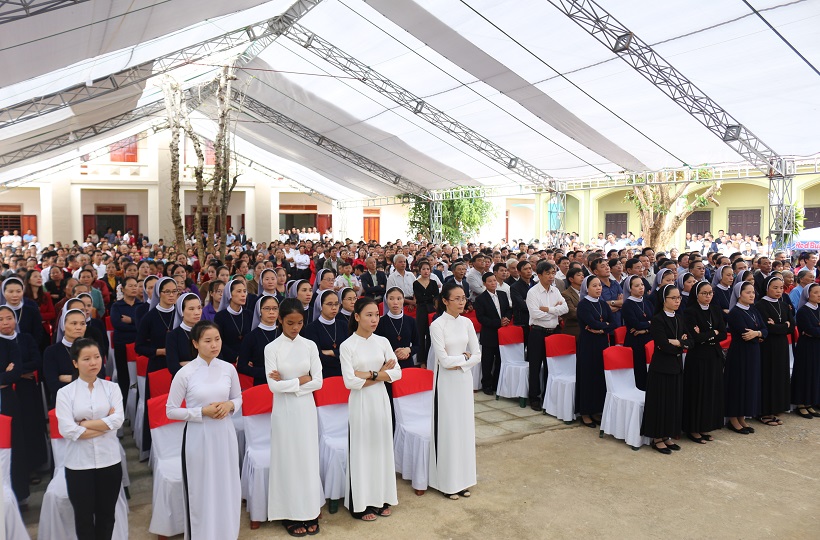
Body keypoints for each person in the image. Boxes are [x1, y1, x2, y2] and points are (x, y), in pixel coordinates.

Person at [166, 320, 242, 539]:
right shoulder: (186, 373)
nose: (214, 345)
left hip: (224, 434)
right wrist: (201, 412)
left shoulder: (228, 368)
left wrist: (229, 406)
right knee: (202, 489)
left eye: (217, 339)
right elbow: (171, 411)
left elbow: (238, 398)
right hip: (199, 437)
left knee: (226, 485)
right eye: (207, 341)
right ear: (196, 344)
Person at [265, 298, 324, 536]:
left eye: (299, 322)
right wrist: (302, 380)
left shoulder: (309, 345)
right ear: (280, 320)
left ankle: (309, 510)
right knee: (287, 458)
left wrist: (290, 383)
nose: (295, 327)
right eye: (290, 322)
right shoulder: (272, 348)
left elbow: (318, 381)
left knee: (307, 456)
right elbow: (272, 387)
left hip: (305, 408)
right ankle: (289, 512)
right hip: (284, 410)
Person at [55, 338, 125, 540]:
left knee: (107, 516)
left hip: (109, 461)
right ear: (75, 363)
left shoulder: (112, 388)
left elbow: (118, 420)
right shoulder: (65, 393)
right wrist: (105, 423)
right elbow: (67, 430)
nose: (93, 362)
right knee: (83, 518)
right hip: (79, 465)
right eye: (86, 358)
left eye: (96, 357)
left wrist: (84, 425)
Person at [340, 297, 401, 520]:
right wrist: (381, 373)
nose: (374, 319)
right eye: (369, 315)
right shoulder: (348, 346)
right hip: (361, 403)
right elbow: (350, 382)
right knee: (362, 449)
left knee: (381, 446)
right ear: (356, 317)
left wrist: (370, 374)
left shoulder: (383, 341)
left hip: (380, 400)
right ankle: (362, 503)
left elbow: (397, 373)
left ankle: (382, 497)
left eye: (376, 314)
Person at [428, 282, 480, 499]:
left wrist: (464, 361)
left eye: (463, 298)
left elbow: (478, 354)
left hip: (464, 380)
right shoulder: (437, 325)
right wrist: (464, 358)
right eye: (456, 298)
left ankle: (464, 479)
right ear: (445, 301)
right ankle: (447, 482)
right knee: (448, 430)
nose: (462, 302)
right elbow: (444, 360)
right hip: (446, 382)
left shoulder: (467, 322)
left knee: (464, 428)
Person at [2, 304, 48, 487]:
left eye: (9, 318)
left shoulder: (25, 338)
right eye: (0, 319)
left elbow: (36, 361)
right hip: (6, 393)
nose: (6, 322)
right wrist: (16, 373)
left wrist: (15, 372)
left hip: (26, 390)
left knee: (30, 427)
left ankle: (32, 467)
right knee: (14, 432)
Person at [642, 284, 690, 454]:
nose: (677, 301)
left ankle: (667, 435)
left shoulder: (679, 318)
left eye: (679, 298)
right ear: (664, 299)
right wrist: (678, 343)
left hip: (676, 366)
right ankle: (657, 437)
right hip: (661, 367)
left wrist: (677, 342)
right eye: (674, 298)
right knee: (660, 402)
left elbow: (689, 341)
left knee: (673, 402)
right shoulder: (657, 319)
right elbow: (663, 345)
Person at [136, 276, 179, 453]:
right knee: (158, 407)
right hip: (158, 366)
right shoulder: (150, 317)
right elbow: (139, 346)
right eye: (167, 291)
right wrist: (161, 351)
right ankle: (154, 449)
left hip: (179, 367)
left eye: (174, 291)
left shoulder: (181, 313)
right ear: (158, 294)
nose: (171, 295)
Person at [682, 281, 726, 443]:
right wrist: (712, 333)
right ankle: (693, 429)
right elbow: (695, 338)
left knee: (711, 392)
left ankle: (706, 426)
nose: (708, 296)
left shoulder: (715, 309)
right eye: (704, 293)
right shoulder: (690, 312)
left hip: (713, 355)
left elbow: (722, 333)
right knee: (698, 392)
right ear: (696, 294)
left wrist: (707, 334)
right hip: (698, 357)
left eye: (710, 293)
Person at [724, 281, 767, 434]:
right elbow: (744, 334)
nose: (751, 295)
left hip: (754, 352)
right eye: (748, 292)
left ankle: (742, 417)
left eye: (753, 292)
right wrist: (758, 334)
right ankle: (733, 419)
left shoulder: (754, 310)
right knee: (738, 384)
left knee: (749, 384)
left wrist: (757, 333)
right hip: (739, 353)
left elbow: (764, 329)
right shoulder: (735, 312)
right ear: (739, 294)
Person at [525, 261, 567, 410]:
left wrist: (548, 310)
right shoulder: (533, 292)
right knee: (535, 366)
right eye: (548, 273)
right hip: (537, 332)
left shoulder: (555, 290)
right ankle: (534, 398)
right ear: (540, 275)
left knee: (551, 366)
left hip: (553, 333)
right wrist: (554, 312)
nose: (551, 276)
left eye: (553, 273)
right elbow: (535, 314)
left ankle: (548, 397)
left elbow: (565, 308)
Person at [575, 275, 614, 428]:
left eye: (600, 285)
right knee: (587, 377)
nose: (599, 288)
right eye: (595, 285)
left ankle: (596, 410)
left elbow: (614, 323)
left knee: (599, 377)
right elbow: (592, 323)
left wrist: (601, 327)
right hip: (588, 345)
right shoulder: (583, 305)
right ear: (587, 288)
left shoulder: (603, 304)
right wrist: (604, 325)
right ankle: (585, 412)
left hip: (602, 343)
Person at [755, 275, 793, 426]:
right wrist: (784, 325)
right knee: (768, 377)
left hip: (782, 345)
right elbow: (767, 328)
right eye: (775, 288)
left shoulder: (783, 305)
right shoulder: (760, 305)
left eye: (781, 288)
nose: (779, 291)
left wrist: (779, 326)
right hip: (768, 347)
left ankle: (776, 408)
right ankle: (764, 412)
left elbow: (792, 325)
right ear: (767, 288)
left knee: (779, 376)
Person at [474, 271, 512, 395]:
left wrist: (506, 318)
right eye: (490, 281)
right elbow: (481, 318)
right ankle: (487, 384)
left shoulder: (502, 294)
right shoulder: (480, 299)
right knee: (487, 361)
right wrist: (498, 322)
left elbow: (507, 309)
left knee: (501, 359)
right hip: (489, 333)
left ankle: (497, 383)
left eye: (494, 280)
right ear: (484, 283)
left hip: (503, 333)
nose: (493, 283)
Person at [43, 308, 88, 405]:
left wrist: (71, 378)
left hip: (90, 400)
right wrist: (84, 380)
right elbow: (53, 385)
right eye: (74, 323)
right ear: (63, 325)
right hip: (63, 402)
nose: (79, 327)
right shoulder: (51, 351)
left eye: (82, 323)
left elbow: (99, 378)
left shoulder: (92, 348)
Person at [110, 276, 141, 408]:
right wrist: (137, 325)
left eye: (136, 285)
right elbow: (117, 324)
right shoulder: (117, 306)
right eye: (130, 286)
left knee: (138, 380)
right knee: (124, 378)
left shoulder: (141, 306)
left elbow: (143, 326)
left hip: (138, 346)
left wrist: (132, 321)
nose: (134, 288)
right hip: (122, 345)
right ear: (122, 288)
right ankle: (123, 409)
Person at [302, 290, 349, 377]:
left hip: (344, 372)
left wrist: (331, 352)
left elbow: (350, 352)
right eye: (330, 304)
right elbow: (317, 356)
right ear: (320, 305)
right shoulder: (311, 328)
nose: (334, 307)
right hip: (323, 373)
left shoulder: (343, 325)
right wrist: (339, 355)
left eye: (336, 304)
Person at [791, 283, 820, 419]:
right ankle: (801, 404)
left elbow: (814, 331)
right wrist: (814, 331)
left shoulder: (819, 308)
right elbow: (809, 330)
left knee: (814, 373)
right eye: (815, 293)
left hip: (816, 345)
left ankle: (809, 402)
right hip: (806, 347)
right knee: (805, 372)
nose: (818, 295)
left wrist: (815, 331)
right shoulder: (803, 311)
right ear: (808, 295)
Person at [238, 296, 280, 386]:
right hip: (261, 384)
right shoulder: (251, 337)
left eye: (275, 308)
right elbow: (241, 366)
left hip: (283, 383)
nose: (271, 312)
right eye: (267, 308)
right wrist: (265, 372)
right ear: (259, 311)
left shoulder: (283, 334)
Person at [622, 275, 653, 391]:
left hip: (649, 338)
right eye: (636, 286)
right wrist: (649, 323)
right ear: (630, 289)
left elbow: (656, 321)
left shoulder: (647, 301)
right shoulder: (627, 305)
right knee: (639, 369)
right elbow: (636, 324)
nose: (641, 288)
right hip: (635, 341)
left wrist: (645, 329)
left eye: (642, 285)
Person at [375, 287, 419, 369]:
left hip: (407, 364)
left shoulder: (411, 321)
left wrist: (408, 350)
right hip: (388, 365)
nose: (395, 302)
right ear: (386, 301)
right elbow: (376, 347)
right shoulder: (380, 322)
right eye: (391, 299)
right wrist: (392, 354)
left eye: (399, 299)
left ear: (403, 300)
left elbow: (418, 345)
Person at [214, 279, 254, 363]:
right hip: (226, 360)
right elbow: (219, 341)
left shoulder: (249, 314)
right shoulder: (220, 317)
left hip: (248, 360)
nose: (243, 295)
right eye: (239, 291)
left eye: (244, 291)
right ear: (230, 294)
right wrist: (235, 357)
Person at [166, 293, 202, 376]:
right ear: (181, 311)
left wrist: (186, 364)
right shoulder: (173, 336)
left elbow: (217, 359)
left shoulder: (208, 331)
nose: (197, 312)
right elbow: (173, 367)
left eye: (199, 308)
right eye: (191, 309)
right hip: (183, 381)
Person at [413, 260, 439, 365]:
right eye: (423, 269)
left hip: (432, 310)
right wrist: (430, 297)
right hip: (421, 310)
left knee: (430, 334)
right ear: (420, 270)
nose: (426, 271)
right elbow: (419, 298)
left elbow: (436, 296)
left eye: (428, 269)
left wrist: (430, 298)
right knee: (421, 334)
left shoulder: (433, 282)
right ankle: (422, 360)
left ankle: (430, 358)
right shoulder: (416, 283)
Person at [560, 267, 584, 337]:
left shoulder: (587, 292)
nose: (582, 277)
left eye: (582, 275)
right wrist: (588, 312)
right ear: (571, 279)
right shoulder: (565, 294)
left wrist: (578, 308)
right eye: (579, 275)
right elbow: (572, 313)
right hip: (574, 330)